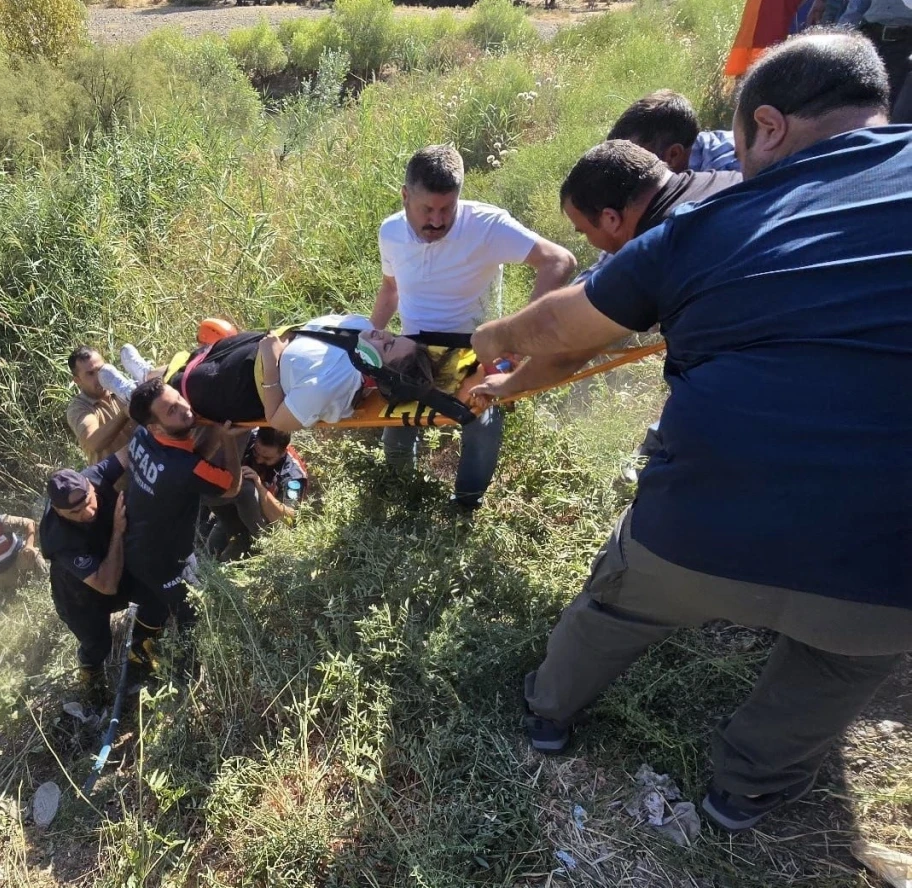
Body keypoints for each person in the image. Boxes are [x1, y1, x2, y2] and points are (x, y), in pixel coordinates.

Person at [469, 32, 912, 832]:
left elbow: (565, 328)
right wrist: (511, 384)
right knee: (840, 664)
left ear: (768, 126)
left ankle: (547, 713)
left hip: (704, 519)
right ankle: (744, 791)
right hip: (889, 561)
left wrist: (494, 338)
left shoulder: (706, 225)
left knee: (620, 604)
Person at [475, 141, 742, 480]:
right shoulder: (729, 181)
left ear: (611, 218)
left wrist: (497, 345)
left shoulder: (659, 245)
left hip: (751, 408)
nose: (590, 243)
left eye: (585, 232)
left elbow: (566, 340)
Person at [371, 144, 576, 511]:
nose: (437, 220)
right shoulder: (390, 231)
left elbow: (559, 261)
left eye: (446, 209)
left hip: (475, 347)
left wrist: (520, 337)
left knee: (481, 424)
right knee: (397, 431)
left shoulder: (486, 225)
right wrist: (369, 337)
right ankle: (402, 502)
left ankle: (465, 507)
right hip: (414, 348)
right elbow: (390, 289)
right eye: (427, 209)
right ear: (405, 196)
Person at [112, 315, 442, 432]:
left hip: (245, 386)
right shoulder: (359, 328)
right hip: (255, 346)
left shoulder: (332, 384)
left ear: (379, 372)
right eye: (393, 336)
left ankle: (130, 395)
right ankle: (146, 373)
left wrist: (271, 362)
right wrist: (273, 347)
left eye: (387, 346)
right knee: (193, 359)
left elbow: (278, 419)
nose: (383, 334)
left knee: (181, 386)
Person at [39, 457, 170, 704]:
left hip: (114, 564)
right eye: (74, 512)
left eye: (89, 501)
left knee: (158, 595)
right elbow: (106, 585)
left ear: (89, 485)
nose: (88, 513)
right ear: (57, 510)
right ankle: (92, 682)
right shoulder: (58, 539)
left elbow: (129, 450)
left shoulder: (93, 476)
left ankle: (140, 647)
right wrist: (118, 530)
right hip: (80, 596)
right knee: (98, 644)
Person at [123, 378, 242, 641]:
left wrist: (214, 423)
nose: (185, 408)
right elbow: (232, 486)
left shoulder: (143, 435)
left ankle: (143, 641)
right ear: (156, 426)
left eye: (178, 398)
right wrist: (229, 440)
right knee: (192, 610)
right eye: (172, 410)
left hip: (137, 538)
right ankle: (183, 658)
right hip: (161, 560)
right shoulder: (182, 468)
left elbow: (193, 461)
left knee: (155, 604)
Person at [204, 428, 310, 561]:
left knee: (228, 559)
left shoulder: (293, 475)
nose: (259, 460)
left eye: (267, 458)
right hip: (233, 512)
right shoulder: (249, 438)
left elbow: (287, 520)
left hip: (266, 525)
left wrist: (259, 486)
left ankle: (262, 548)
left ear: (283, 452)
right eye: (256, 453)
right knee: (210, 552)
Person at [607, 90, 743, 174]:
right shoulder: (686, 148)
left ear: (673, 155)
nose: (624, 171)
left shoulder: (729, 176)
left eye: (633, 161)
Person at [839, 0, 912, 122]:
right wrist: (842, 36)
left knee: (894, 115)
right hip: (870, 38)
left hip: (904, 44)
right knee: (856, 107)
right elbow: (857, 6)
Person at [66, 346, 135, 465]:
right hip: (119, 475)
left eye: (100, 369)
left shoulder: (122, 387)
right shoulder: (78, 408)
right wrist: (124, 414)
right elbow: (94, 442)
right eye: (90, 374)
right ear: (77, 381)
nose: (99, 377)